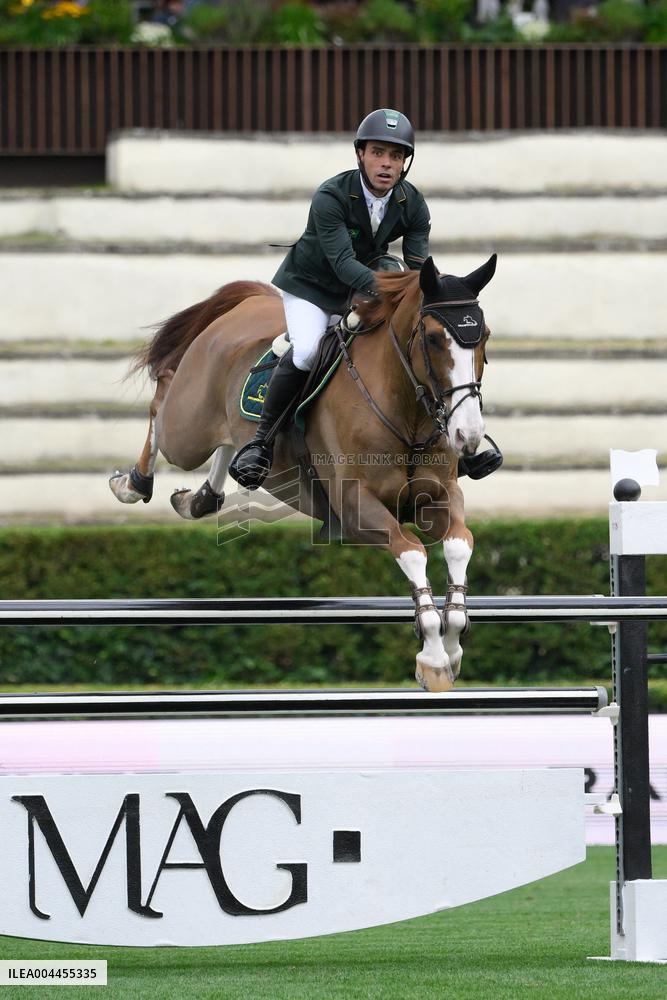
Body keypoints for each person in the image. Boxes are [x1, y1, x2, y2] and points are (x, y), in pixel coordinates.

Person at [229, 108, 431, 490]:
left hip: (360, 287)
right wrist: (397, 291)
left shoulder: (412, 203)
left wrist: (431, 293)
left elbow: (419, 266)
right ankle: (261, 443)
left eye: (396, 156)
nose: (387, 164)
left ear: (405, 162)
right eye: (378, 153)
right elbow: (341, 264)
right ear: (360, 154)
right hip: (312, 287)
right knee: (307, 351)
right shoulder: (331, 195)